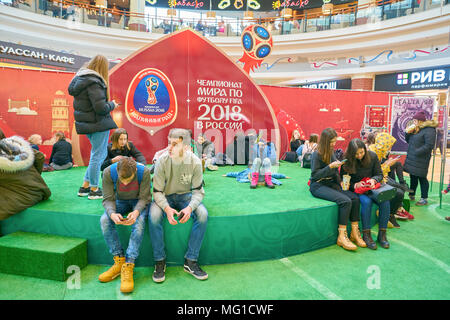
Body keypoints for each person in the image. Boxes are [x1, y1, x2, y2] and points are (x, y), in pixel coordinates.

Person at [149, 128, 208, 282]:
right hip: (164, 196)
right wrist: (167, 208)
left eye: (175, 144)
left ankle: (191, 260)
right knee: (154, 215)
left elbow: (198, 192)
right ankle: (159, 261)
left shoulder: (195, 162)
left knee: (202, 214)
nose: (169, 147)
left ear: (187, 147)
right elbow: (156, 192)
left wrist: (189, 208)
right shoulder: (162, 160)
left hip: (185, 196)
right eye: (169, 143)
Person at [68, 54, 118, 200]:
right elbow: (101, 108)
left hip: (87, 125)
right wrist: (113, 104)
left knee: (96, 155)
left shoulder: (80, 81)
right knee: (97, 156)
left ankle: (84, 186)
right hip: (98, 124)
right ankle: (94, 189)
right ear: (103, 67)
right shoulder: (95, 82)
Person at [98, 157, 151, 293]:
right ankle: (119, 259)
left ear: (134, 171)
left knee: (139, 223)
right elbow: (108, 198)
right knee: (104, 220)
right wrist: (112, 213)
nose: (126, 183)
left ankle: (129, 263)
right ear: (117, 170)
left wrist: (137, 211)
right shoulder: (108, 172)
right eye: (123, 180)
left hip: (138, 201)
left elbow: (145, 197)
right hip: (119, 201)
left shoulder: (143, 171)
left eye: (129, 179)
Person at [309, 128, 364, 251]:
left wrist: (340, 181)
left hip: (330, 183)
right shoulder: (316, 154)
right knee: (345, 201)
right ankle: (341, 236)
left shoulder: (331, 151)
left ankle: (354, 232)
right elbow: (314, 176)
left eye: (334, 141)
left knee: (355, 198)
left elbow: (334, 172)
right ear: (325, 141)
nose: (334, 143)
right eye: (332, 141)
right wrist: (330, 167)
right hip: (318, 185)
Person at [341, 138, 390, 250]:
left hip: (373, 189)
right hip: (358, 191)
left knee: (385, 201)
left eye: (361, 152)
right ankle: (366, 235)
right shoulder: (347, 160)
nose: (359, 156)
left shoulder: (372, 156)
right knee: (366, 202)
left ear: (365, 149)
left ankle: (382, 234)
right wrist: (355, 185)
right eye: (356, 154)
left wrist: (374, 180)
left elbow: (379, 174)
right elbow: (345, 180)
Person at [0, 129, 51, 221]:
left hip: (23, 195)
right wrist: (34, 177)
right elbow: (40, 156)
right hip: (40, 189)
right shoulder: (14, 145)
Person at [368, 132, 414, 224]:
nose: (390, 148)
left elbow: (378, 171)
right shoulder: (372, 153)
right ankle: (392, 213)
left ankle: (394, 212)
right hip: (373, 182)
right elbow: (374, 173)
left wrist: (388, 164)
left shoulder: (379, 151)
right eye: (389, 145)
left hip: (380, 178)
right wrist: (388, 164)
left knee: (400, 189)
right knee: (399, 192)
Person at [404, 110, 438, 206]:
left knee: (422, 177)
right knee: (413, 176)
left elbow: (429, 145)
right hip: (413, 157)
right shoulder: (416, 128)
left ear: (420, 121)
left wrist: (416, 152)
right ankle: (412, 193)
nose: (413, 122)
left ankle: (424, 198)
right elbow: (408, 141)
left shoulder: (430, 130)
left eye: (415, 120)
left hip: (421, 158)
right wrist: (407, 133)